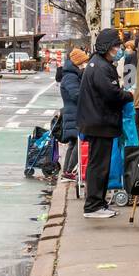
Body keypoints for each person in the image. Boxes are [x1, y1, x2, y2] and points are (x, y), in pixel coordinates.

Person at [76, 28, 132, 218]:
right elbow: (112, 95)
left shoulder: (97, 64)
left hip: (97, 122)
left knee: (98, 164)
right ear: (107, 47)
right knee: (99, 166)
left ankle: (97, 202)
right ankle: (93, 205)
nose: (118, 49)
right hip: (100, 123)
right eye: (116, 45)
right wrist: (130, 94)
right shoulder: (101, 67)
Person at [57, 48, 88, 181]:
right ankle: (69, 170)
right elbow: (76, 95)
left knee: (73, 142)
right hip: (74, 113)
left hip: (72, 112)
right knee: (78, 141)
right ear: (77, 62)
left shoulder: (72, 75)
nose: (84, 65)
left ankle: (66, 171)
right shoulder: (70, 76)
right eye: (82, 62)